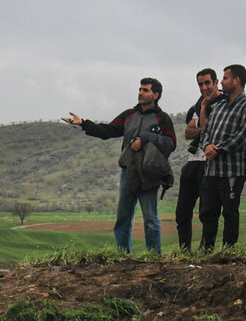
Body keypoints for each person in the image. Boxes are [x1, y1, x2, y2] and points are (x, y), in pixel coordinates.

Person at [62, 78, 176, 253]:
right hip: (128, 172)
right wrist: (84, 123)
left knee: (150, 219)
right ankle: (123, 258)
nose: (140, 93)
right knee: (123, 218)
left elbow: (170, 143)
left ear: (156, 95)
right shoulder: (129, 115)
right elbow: (107, 131)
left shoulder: (162, 118)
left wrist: (146, 138)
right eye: (140, 89)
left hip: (149, 174)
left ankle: (154, 259)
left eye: (145, 90)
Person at [198, 64, 246, 250]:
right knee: (208, 212)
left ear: (237, 80)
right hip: (211, 170)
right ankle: (206, 249)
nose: (222, 82)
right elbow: (205, 132)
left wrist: (217, 149)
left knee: (230, 212)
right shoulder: (217, 106)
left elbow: (241, 137)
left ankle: (228, 251)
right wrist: (206, 146)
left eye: (225, 78)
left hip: (232, 170)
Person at [176, 69, 221, 251]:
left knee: (207, 212)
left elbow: (210, 129)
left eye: (207, 83)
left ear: (215, 82)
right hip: (192, 161)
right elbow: (188, 133)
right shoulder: (198, 105)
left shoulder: (223, 103)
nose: (204, 87)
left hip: (210, 162)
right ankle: (184, 250)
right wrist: (204, 126)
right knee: (182, 212)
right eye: (200, 84)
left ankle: (206, 250)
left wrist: (202, 127)